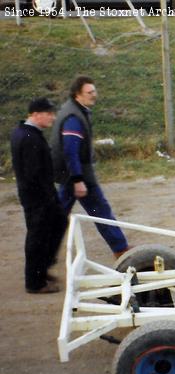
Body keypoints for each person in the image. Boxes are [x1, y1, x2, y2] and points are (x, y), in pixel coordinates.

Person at [50, 75, 130, 258]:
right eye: (89, 92)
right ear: (78, 95)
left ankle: (44, 253)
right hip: (77, 175)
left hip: (70, 174)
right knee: (100, 210)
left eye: (94, 91)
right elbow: (70, 151)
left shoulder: (73, 110)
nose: (94, 95)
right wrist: (78, 180)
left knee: (59, 216)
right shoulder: (74, 118)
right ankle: (121, 249)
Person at [10, 98, 68, 294]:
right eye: (48, 113)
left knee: (56, 224)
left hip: (37, 196)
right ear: (35, 114)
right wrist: (48, 197)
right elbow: (33, 173)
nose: (52, 117)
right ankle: (35, 282)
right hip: (38, 198)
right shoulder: (29, 137)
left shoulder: (25, 133)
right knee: (38, 237)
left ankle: (41, 271)